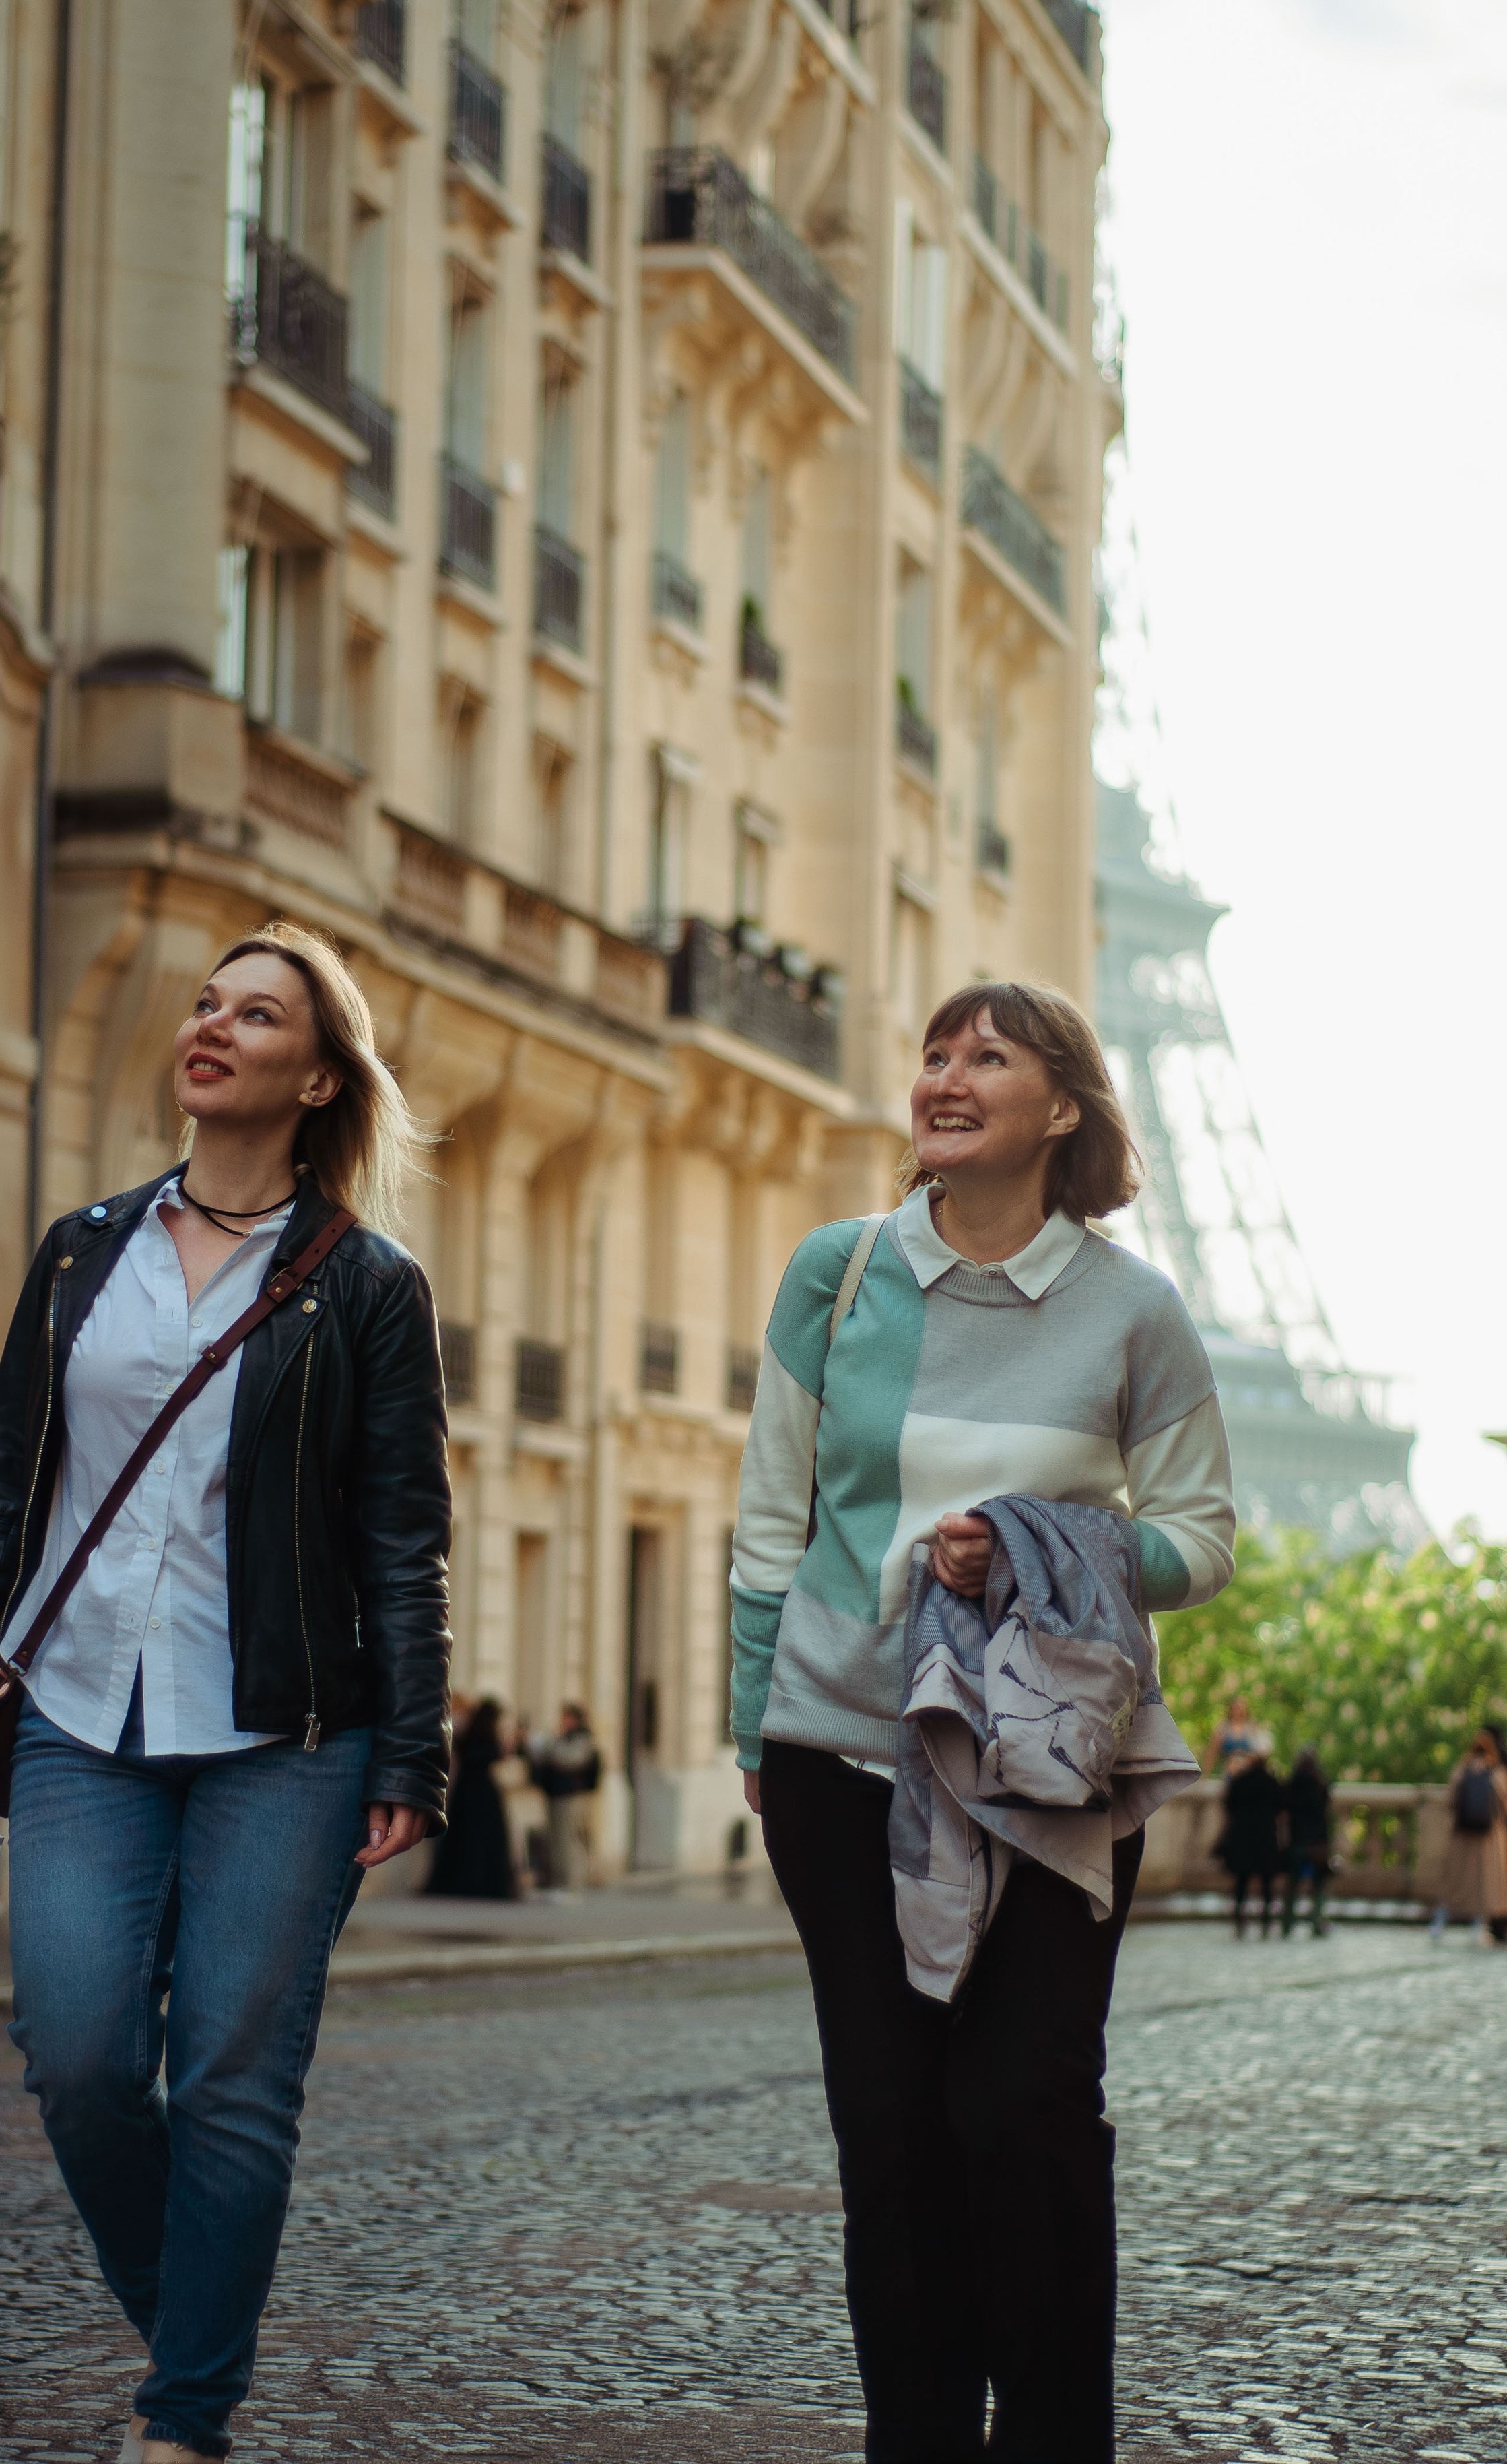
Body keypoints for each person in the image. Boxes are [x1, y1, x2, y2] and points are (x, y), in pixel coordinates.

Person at [0, 920, 452, 2464]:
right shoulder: (83, 1247)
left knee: (228, 2073)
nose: (210, 1025)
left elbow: (402, 1536)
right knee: (77, 2053)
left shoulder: (365, 1287)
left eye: (257, 1013)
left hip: (288, 1729)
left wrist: (410, 1744)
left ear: (317, 1072)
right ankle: (200, 2324)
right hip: (77, 1708)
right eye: (205, 1002)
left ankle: (185, 2418)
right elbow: (8, 1484)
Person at [730, 980, 1235, 2464]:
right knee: (887, 2140)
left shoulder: (1132, 1309)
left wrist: (1031, 1539)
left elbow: (1199, 1541)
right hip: (838, 1759)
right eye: (934, 1052)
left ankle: (1055, 2437)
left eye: (987, 1056)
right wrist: (751, 1730)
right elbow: (768, 1521)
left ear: (1059, 1109)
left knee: (1022, 2112)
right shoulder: (833, 1275)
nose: (944, 1076)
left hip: (1051, 1773)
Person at [428, 1696, 517, 1898]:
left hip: (467, 1791)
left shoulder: (468, 1733)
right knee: (480, 1837)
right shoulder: (480, 1735)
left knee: (468, 1836)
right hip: (481, 1791)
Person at [1431, 1726, 1507, 1944]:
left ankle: (1440, 1923)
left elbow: (1450, 1801)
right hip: (1489, 1842)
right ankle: (1477, 1926)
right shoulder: (1498, 1774)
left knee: (1454, 1886)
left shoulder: (1462, 1770)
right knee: (1485, 1888)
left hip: (1462, 1839)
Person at [529, 1702, 603, 1889]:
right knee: (557, 1839)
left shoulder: (581, 1739)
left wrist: (548, 1749)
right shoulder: (564, 1738)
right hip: (557, 1794)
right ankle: (560, 1879)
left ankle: (572, 1881)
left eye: (567, 1717)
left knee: (569, 1840)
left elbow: (569, 1760)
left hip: (572, 1797)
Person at [1218, 1749, 1283, 1937]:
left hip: (1242, 1837)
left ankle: (1239, 1916)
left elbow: (1229, 1803)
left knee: (1242, 1880)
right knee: (1266, 1882)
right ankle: (1266, 1918)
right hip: (1265, 1837)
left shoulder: (1240, 1781)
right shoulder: (1271, 1782)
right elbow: (1281, 1805)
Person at [1280, 1745, 1333, 1937]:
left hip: (1298, 1841)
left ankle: (1287, 1923)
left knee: (1293, 1884)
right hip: (1317, 1842)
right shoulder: (1321, 1784)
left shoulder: (1292, 1784)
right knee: (1319, 1885)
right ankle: (1317, 1921)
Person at [1203, 1692, 1273, 1778]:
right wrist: (1205, 1774)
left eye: (1241, 1707)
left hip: (1248, 1771)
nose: (1239, 1710)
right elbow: (1212, 1753)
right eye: (1236, 1707)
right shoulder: (1223, 1728)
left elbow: (1260, 1750)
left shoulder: (1251, 1727)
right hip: (1229, 1770)